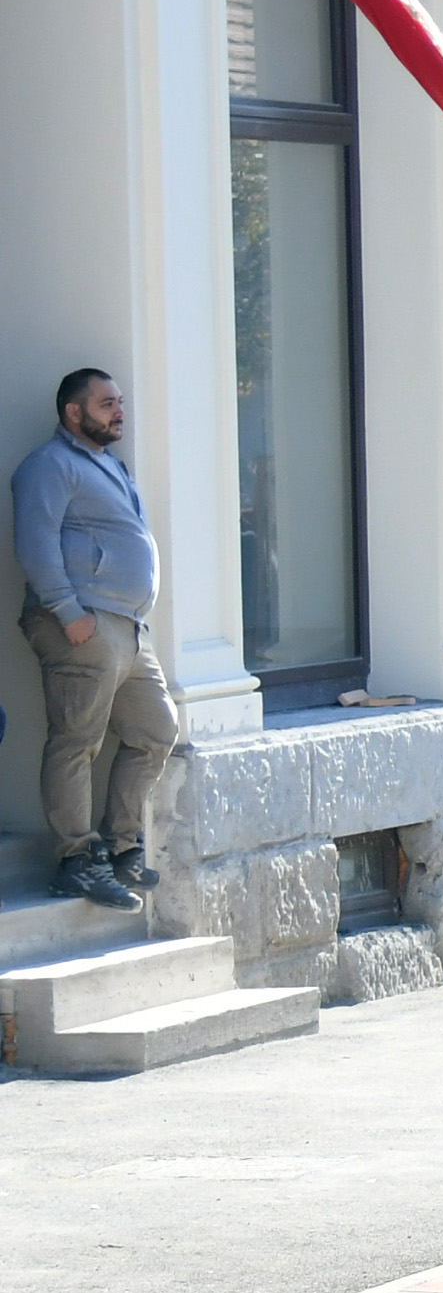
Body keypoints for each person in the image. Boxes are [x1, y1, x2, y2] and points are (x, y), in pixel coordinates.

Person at [15, 369, 177, 911]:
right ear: (73, 413)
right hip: (83, 624)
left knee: (156, 730)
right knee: (76, 739)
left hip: (128, 628)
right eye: (107, 404)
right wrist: (67, 611)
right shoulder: (50, 464)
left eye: (120, 403)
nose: (119, 412)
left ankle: (121, 846)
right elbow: (34, 540)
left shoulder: (109, 466)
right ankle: (74, 862)